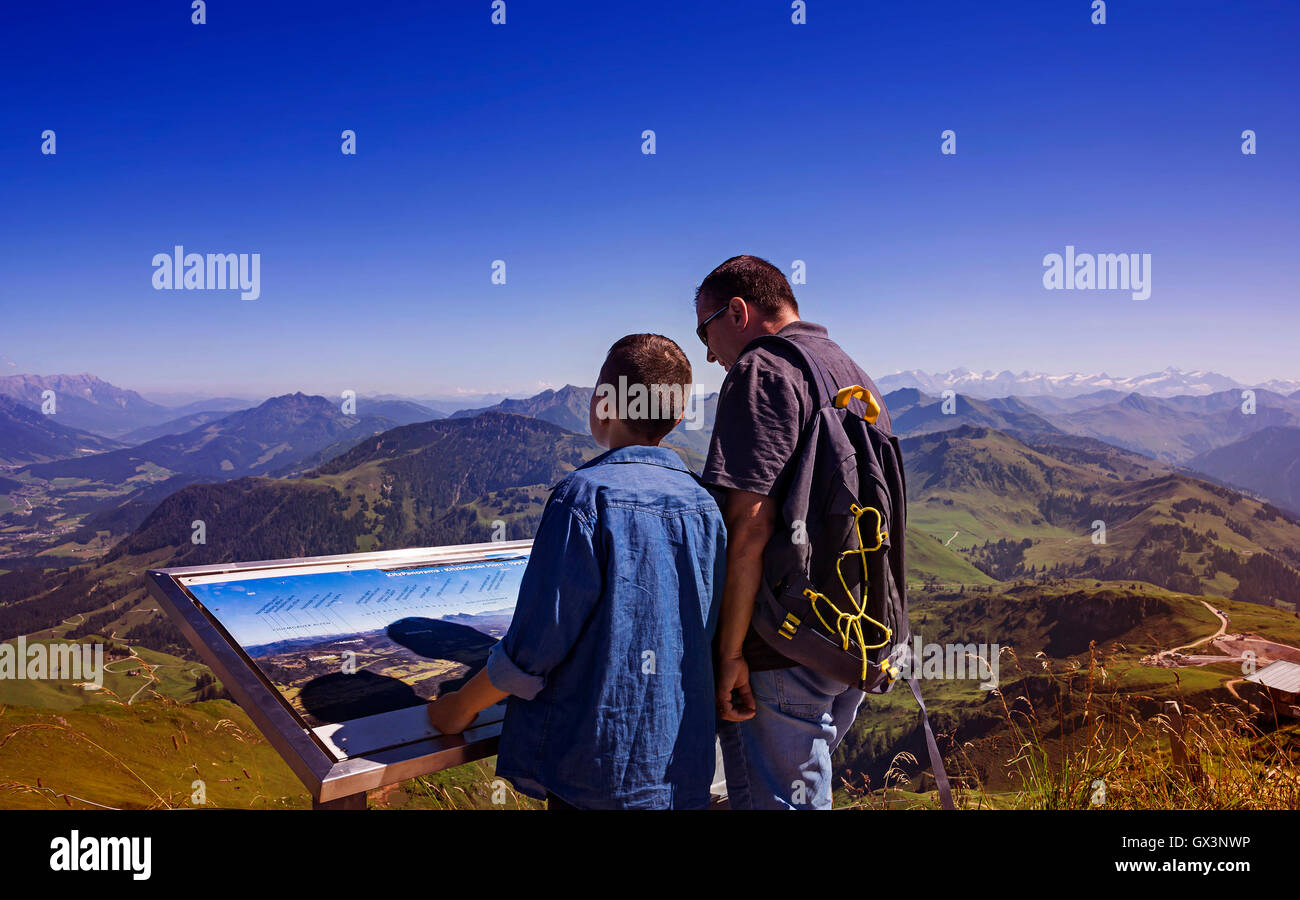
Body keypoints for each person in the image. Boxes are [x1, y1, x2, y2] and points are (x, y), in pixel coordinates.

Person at [426, 333, 727, 809]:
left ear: (603, 403)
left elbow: (534, 648)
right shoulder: (704, 504)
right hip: (681, 769)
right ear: (674, 415)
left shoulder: (582, 498)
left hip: (595, 772)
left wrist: (458, 709)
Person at [694, 254, 893, 809]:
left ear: (737, 311)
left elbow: (749, 525)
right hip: (853, 638)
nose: (709, 354)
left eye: (704, 330)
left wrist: (731, 652)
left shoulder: (763, 370)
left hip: (783, 643)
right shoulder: (850, 371)